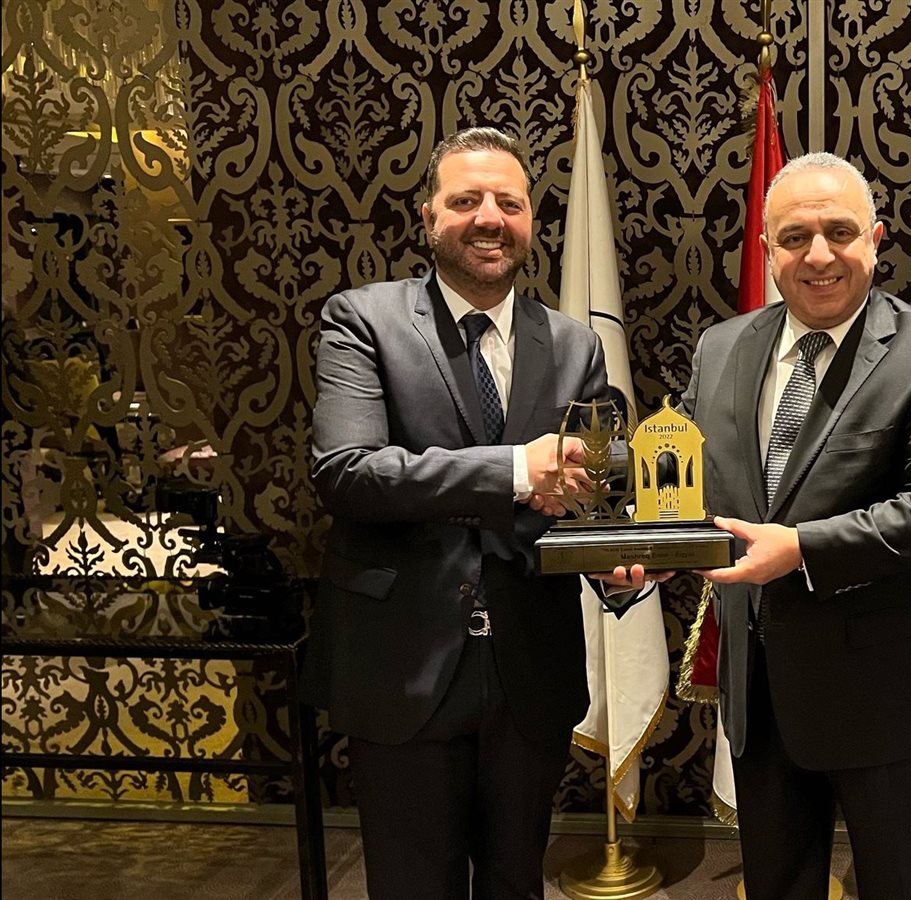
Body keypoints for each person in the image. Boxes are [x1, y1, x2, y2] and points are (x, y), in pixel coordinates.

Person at [303, 126, 652, 899]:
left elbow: (592, 493)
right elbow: (347, 474)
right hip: (405, 667)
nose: (490, 217)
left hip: (530, 672)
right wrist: (515, 469)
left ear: (530, 221)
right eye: (466, 201)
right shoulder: (362, 320)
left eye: (509, 203)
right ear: (428, 216)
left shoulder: (574, 346)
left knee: (516, 884)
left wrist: (616, 564)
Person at [681, 152, 911, 900]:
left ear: (875, 240)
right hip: (759, 689)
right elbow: (691, 483)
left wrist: (800, 549)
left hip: (882, 694)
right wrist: (638, 545)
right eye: (794, 238)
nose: (817, 255)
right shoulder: (721, 348)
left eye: (839, 232)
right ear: (767, 250)